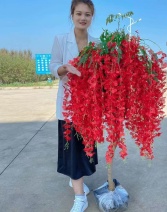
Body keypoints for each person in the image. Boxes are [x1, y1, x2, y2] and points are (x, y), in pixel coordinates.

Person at [49, 0, 98, 211]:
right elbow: (53, 65)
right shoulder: (61, 40)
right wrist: (64, 68)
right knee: (72, 150)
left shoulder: (96, 44)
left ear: (92, 17)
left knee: (85, 151)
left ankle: (75, 178)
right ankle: (80, 197)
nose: (83, 18)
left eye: (87, 14)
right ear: (72, 15)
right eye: (79, 13)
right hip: (69, 106)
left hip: (89, 107)